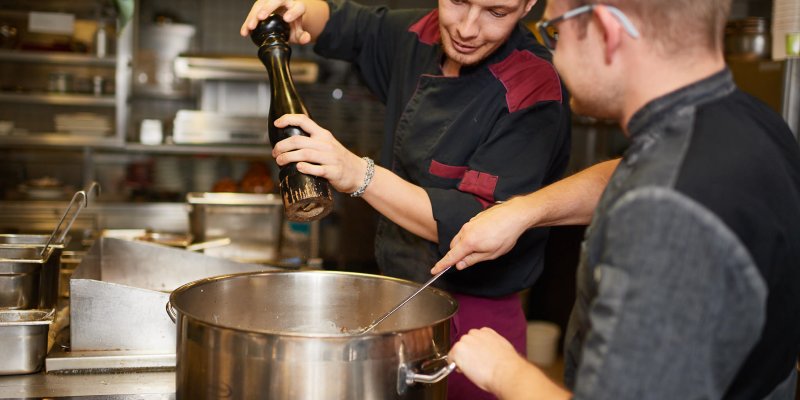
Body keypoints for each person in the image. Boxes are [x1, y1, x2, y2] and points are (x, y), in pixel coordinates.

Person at [431, 0, 800, 398]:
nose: (554, 54)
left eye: (555, 32)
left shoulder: (664, 212)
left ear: (607, 32)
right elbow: (633, 169)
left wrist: (503, 371)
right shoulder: (746, 119)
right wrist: (524, 211)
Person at [241, 0, 572, 397]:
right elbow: (346, 24)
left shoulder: (533, 86)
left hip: (477, 322)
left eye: (495, 12)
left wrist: (355, 174)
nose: (467, 28)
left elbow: (474, 223)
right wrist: (294, 10)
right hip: (396, 302)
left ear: (529, 5)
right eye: (458, 2)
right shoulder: (419, 33)